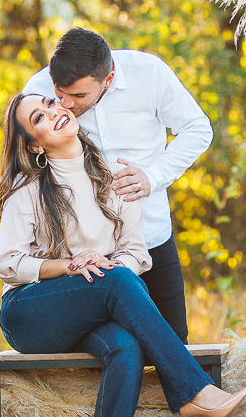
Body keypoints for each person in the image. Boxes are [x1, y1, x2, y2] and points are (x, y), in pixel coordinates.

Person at [0, 92, 246, 417]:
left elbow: (136, 251)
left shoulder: (114, 179)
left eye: (52, 104)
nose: (54, 112)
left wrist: (105, 263)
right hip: (31, 313)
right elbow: (6, 263)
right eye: (39, 117)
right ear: (34, 145)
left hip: (94, 305)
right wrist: (69, 265)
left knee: (126, 348)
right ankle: (189, 389)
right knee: (116, 280)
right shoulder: (30, 189)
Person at [23, 28, 213, 342]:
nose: (66, 105)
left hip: (149, 237)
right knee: (110, 352)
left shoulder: (149, 74)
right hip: (80, 253)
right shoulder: (37, 91)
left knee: (174, 344)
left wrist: (153, 176)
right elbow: (25, 162)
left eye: (79, 96)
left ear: (108, 79)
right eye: (60, 92)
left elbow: (197, 129)